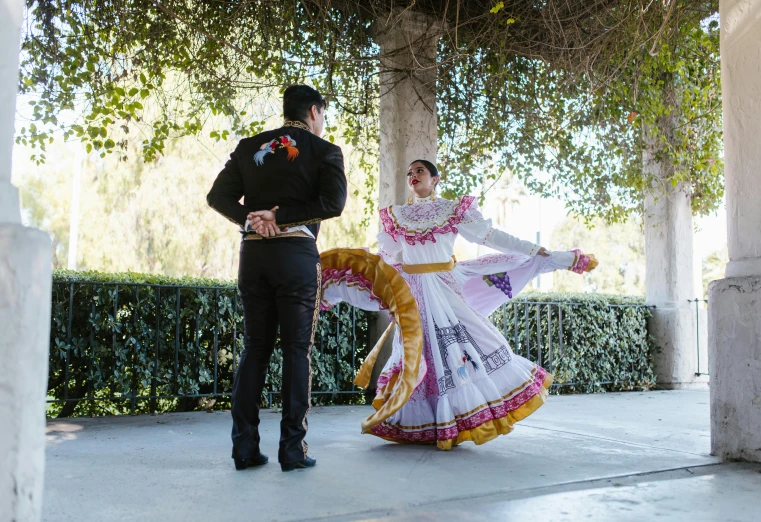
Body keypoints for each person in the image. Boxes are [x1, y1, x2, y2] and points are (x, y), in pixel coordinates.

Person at [319, 160, 596, 450]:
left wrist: (529, 248)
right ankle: (422, 423)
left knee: (463, 344)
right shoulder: (396, 215)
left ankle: (456, 420)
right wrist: (367, 267)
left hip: (444, 286)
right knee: (417, 351)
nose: (413, 176)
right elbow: (388, 254)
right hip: (411, 292)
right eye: (409, 172)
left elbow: (489, 236)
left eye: (420, 171)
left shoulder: (453, 210)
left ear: (436, 179)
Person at [207, 85, 347, 471]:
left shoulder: (249, 146)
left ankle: (244, 449)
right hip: (296, 257)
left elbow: (217, 197)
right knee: (296, 351)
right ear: (315, 111)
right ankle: (292, 450)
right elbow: (333, 204)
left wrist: (254, 220)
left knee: (255, 348)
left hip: (253, 254)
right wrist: (280, 219)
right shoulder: (325, 151)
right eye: (323, 114)